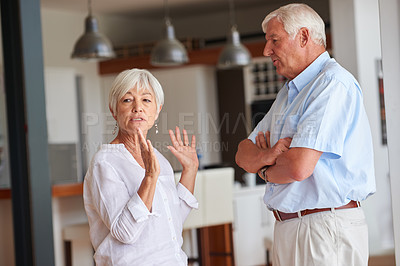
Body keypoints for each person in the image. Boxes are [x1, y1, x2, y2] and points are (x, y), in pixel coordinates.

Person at [235, 3, 376, 266]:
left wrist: (264, 169)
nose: (266, 51)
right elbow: (243, 154)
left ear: (303, 37)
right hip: (291, 225)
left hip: (323, 226)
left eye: (274, 40)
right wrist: (269, 154)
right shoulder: (289, 93)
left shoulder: (333, 84)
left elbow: (299, 167)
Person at [83, 68, 199, 265]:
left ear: (158, 109)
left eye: (146, 100)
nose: (138, 107)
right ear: (113, 110)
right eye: (127, 100)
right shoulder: (105, 162)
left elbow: (171, 222)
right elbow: (124, 232)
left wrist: (190, 170)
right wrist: (149, 178)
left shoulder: (159, 160)